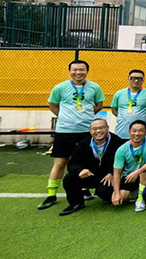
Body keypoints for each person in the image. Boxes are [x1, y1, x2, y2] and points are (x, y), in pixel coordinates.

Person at [39, 59, 105, 210]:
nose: (78, 72)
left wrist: (85, 117)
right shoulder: (60, 87)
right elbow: (53, 106)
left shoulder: (95, 87)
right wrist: (65, 118)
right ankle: (51, 194)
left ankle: (84, 188)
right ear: (69, 71)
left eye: (81, 69)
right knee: (60, 163)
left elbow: (99, 105)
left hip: (87, 132)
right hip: (64, 131)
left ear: (87, 71)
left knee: (86, 162)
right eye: (75, 70)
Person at [58, 118, 121, 216]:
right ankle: (76, 203)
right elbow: (72, 163)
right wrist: (81, 170)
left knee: (104, 193)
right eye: (95, 129)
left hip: (109, 177)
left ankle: (110, 195)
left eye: (101, 128)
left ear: (107, 128)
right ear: (90, 130)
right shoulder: (83, 144)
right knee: (69, 179)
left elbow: (125, 161)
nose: (98, 131)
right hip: (90, 175)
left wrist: (112, 173)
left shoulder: (117, 142)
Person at [112, 119, 146, 212]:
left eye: (141, 131)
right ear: (129, 132)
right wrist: (116, 193)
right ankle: (136, 190)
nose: (137, 134)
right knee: (119, 198)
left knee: (145, 174)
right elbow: (117, 173)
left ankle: (140, 199)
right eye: (134, 131)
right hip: (130, 176)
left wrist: (137, 172)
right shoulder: (121, 149)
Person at [110, 69, 146, 146]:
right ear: (128, 79)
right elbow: (114, 109)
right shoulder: (119, 93)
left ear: (143, 80)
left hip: (139, 133)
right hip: (121, 131)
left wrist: (143, 118)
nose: (136, 81)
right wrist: (122, 117)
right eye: (133, 78)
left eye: (139, 79)